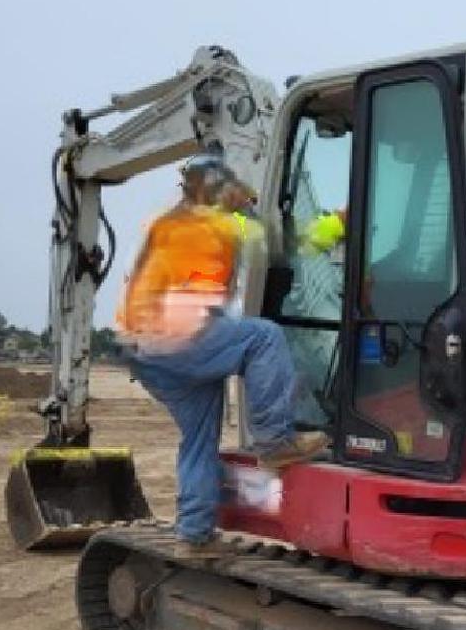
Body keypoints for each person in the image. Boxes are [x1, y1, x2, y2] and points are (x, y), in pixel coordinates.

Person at [116, 155, 328, 554]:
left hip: (146, 351)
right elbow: (292, 241)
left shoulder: (170, 223)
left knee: (199, 440)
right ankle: (274, 442)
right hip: (176, 338)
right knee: (263, 338)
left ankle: (195, 530)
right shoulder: (215, 223)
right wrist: (338, 224)